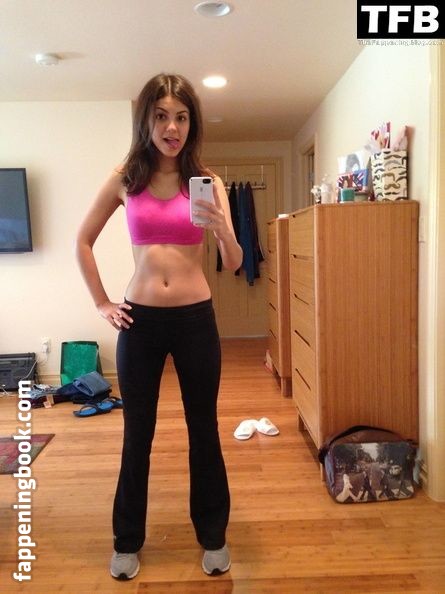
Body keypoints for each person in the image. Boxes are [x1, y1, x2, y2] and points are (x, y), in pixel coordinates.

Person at [75, 73, 243, 581]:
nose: (172, 128)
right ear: (146, 121)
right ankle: (127, 541)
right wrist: (102, 302)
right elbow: (82, 241)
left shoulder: (208, 182)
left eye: (182, 117)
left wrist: (222, 229)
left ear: (193, 123)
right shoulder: (126, 178)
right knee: (137, 434)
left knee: (203, 430)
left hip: (195, 319)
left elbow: (234, 262)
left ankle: (213, 536)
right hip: (140, 322)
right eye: (162, 116)